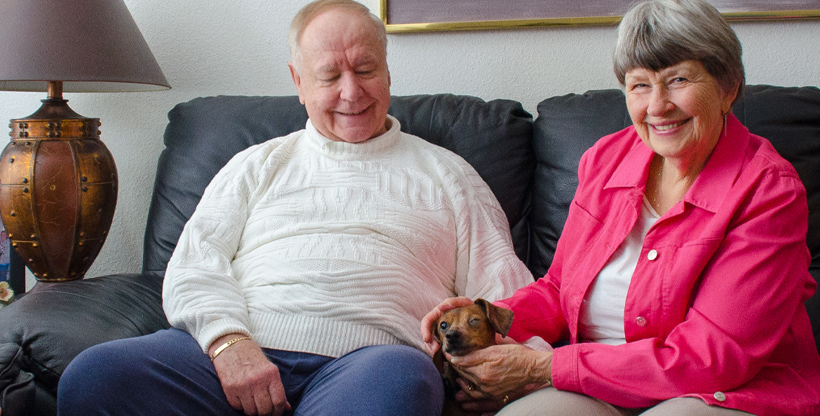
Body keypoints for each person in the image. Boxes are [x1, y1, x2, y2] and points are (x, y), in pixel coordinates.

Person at [56, 1, 533, 415]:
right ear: (298, 81)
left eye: (366, 69)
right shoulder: (257, 163)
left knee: (403, 382)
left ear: (388, 70)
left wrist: (515, 374)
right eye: (329, 75)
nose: (351, 92)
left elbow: (508, 291)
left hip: (374, 360)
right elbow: (193, 265)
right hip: (230, 352)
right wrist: (228, 341)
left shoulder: (449, 174)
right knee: (95, 376)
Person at [421, 0, 820, 415]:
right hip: (599, 389)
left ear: (728, 87)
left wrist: (548, 366)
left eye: (678, 79)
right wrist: (486, 321)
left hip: (723, 394)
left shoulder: (767, 191)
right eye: (639, 85)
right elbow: (560, 289)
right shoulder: (605, 160)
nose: (657, 106)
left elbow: (715, 357)